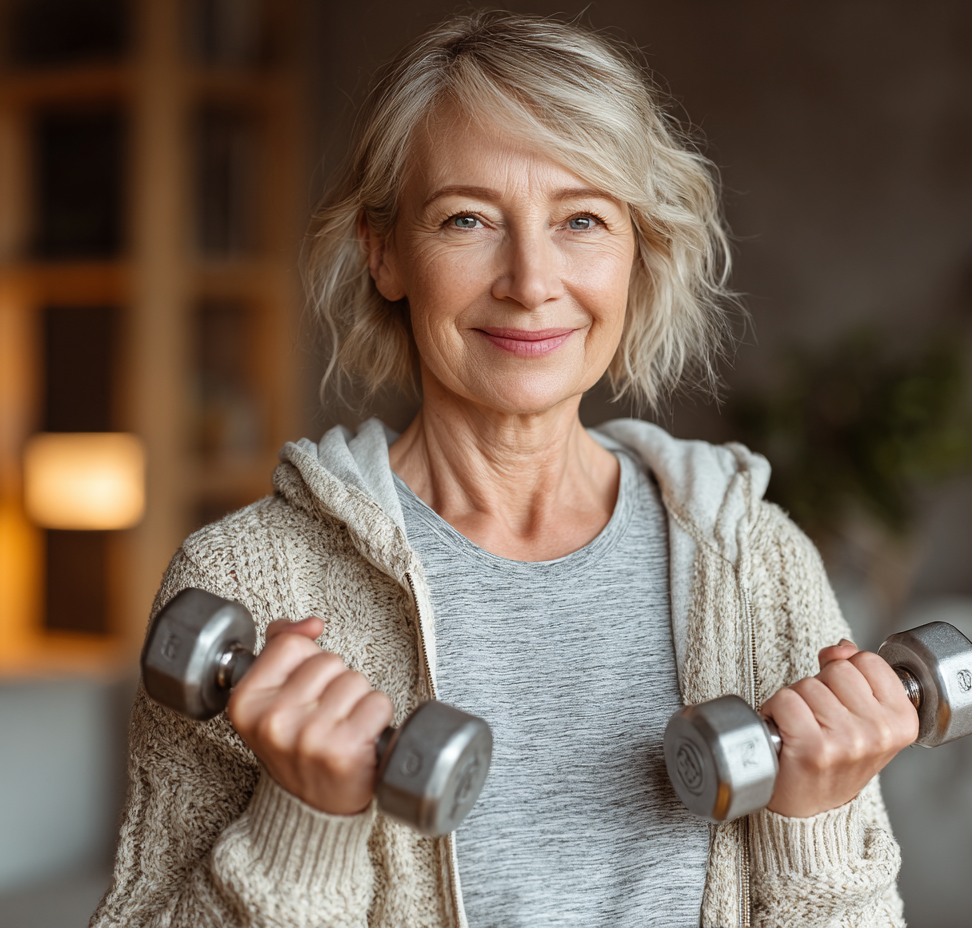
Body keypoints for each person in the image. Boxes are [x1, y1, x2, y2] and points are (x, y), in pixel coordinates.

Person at [93, 12, 914, 928]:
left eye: (582, 219)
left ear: (636, 254)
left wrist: (817, 827)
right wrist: (306, 821)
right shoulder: (250, 580)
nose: (530, 279)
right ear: (385, 250)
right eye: (468, 219)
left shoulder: (755, 559)